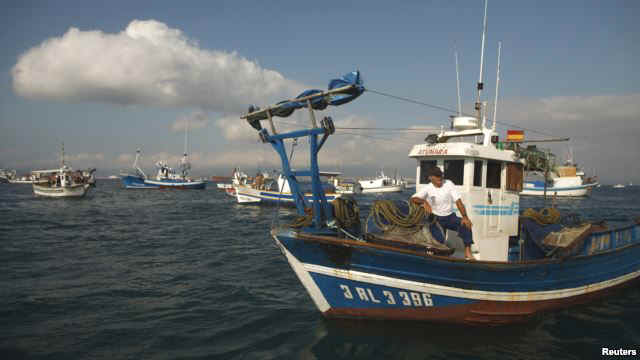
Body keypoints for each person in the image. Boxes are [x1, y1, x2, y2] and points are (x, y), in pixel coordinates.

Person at [410, 166, 475, 260]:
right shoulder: (428, 188)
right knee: (439, 242)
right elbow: (413, 199)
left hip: (450, 217)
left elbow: (458, 202)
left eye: (441, 176)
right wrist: (424, 202)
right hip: (436, 219)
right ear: (431, 178)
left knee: (466, 225)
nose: (440, 178)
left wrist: (465, 217)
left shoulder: (449, 184)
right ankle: (440, 256)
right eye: (437, 177)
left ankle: (468, 253)